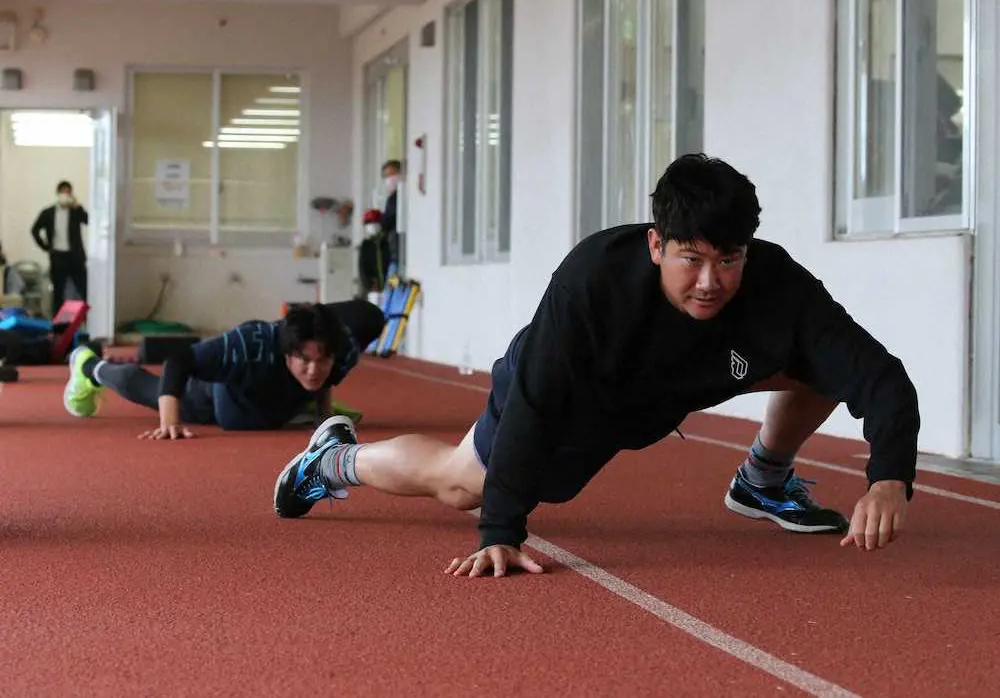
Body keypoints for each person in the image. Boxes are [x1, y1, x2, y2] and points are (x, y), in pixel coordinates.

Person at [272, 153, 919, 577]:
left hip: (675, 384)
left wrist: (890, 477)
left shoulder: (779, 287)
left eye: (729, 258)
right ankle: (333, 460)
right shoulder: (592, 283)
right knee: (458, 484)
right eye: (690, 258)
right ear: (654, 244)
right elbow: (533, 400)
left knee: (821, 365)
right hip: (579, 398)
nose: (710, 281)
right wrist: (501, 529)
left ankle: (763, 480)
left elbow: (877, 374)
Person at [62, 300, 386, 438]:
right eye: (305, 361)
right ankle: (89, 366)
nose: (315, 370)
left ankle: (298, 406)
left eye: (322, 361)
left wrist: (323, 413)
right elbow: (178, 362)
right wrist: (169, 423)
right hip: (217, 397)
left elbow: (324, 374)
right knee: (149, 387)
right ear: (288, 353)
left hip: (269, 400)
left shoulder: (342, 353)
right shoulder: (250, 342)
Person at [31, 181, 89, 316]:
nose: (65, 195)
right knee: (58, 293)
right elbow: (34, 230)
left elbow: (88, 220)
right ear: (58, 194)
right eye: (63, 192)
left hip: (76, 257)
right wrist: (45, 247)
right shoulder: (48, 213)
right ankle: (59, 328)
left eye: (68, 192)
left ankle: (87, 323)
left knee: (84, 289)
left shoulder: (75, 212)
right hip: (58, 257)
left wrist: (78, 206)